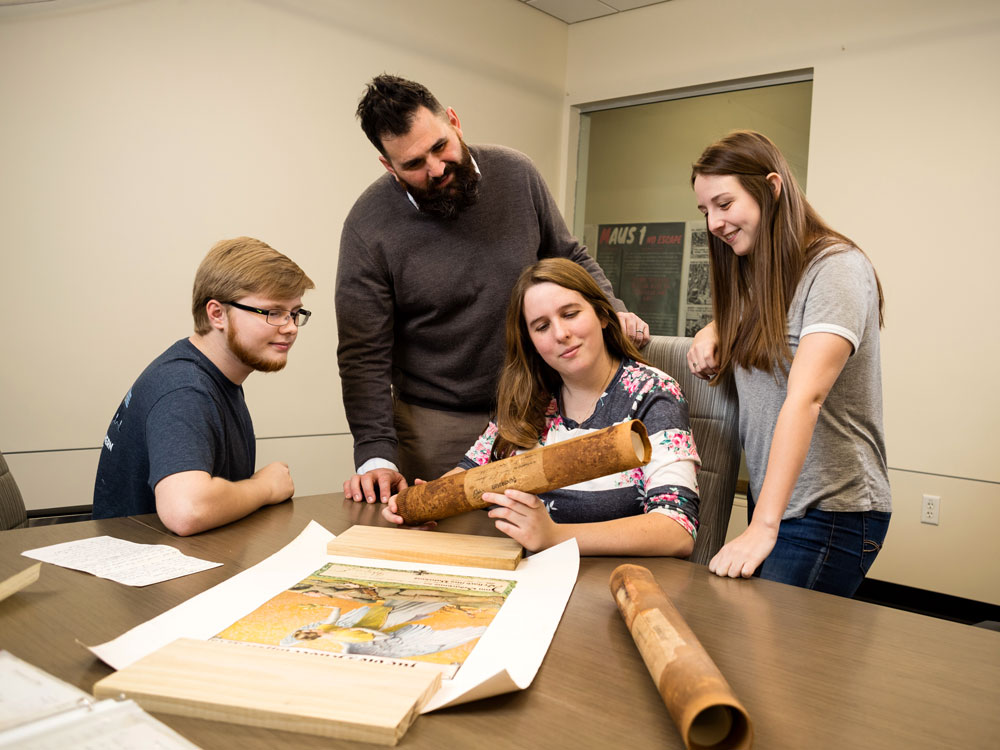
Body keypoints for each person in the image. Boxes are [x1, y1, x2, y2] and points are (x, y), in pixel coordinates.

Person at [337, 74, 650, 506]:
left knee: (538, 540)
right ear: (389, 166)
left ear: (454, 122)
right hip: (436, 423)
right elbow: (362, 353)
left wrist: (611, 310)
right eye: (413, 165)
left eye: (440, 146)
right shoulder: (368, 226)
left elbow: (568, 256)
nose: (436, 169)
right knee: (445, 552)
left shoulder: (516, 173)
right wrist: (374, 454)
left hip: (535, 407)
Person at [689, 130, 891, 596]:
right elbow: (762, 333)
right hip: (779, 503)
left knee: (775, 660)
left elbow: (806, 397)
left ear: (772, 187)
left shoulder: (836, 268)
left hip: (830, 509)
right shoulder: (756, 274)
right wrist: (713, 329)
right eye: (705, 212)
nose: (715, 222)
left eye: (724, 203)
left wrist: (763, 525)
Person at [383, 258, 699, 556]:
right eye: (542, 326)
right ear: (530, 341)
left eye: (571, 313)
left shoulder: (652, 392)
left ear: (603, 315)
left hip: (609, 584)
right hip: (522, 576)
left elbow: (677, 529)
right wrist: (425, 505)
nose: (561, 334)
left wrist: (554, 536)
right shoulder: (529, 396)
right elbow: (470, 473)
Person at [92, 237, 315, 536]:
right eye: (273, 312)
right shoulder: (185, 390)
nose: (289, 327)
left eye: (294, 312)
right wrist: (264, 487)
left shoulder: (211, 376)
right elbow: (186, 510)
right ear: (217, 314)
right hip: (147, 576)